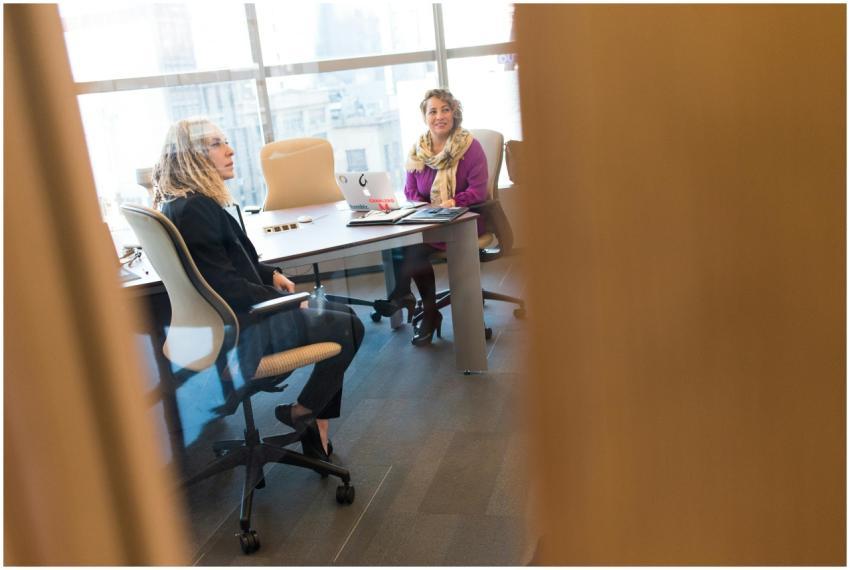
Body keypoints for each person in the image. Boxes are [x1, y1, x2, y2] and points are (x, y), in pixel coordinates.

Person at [152, 117, 364, 461]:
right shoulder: (197, 210)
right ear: (192, 155)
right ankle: (304, 414)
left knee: (342, 317)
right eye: (217, 144)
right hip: (247, 327)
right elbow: (227, 286)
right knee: (348, 325)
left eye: (225, 142)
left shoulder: (181, 204)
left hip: (230, 320)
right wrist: (288, 301)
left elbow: (219, 265)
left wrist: (270, 274)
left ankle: (312, 421)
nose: (230, 150)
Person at [374, 89, 489, 346]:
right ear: (425, 117)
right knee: (401, 243)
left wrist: (452, 202)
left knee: (413, 248)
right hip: (429, 218)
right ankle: (419, 306)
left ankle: (413, 303)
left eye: (445, 109)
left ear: (454, 113)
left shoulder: (469, 147)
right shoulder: (419, 149)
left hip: (464, 218)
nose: (439, 116)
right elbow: (410, 190)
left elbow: (478, 191)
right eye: (432, 111)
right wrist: (425, 206)